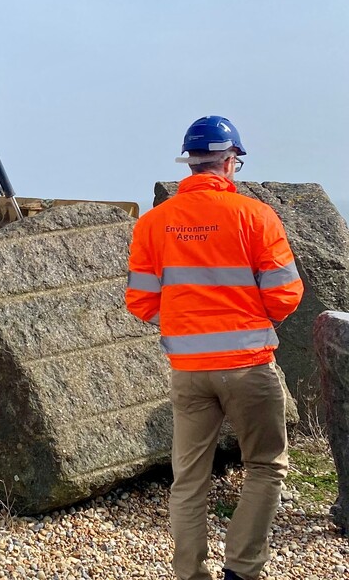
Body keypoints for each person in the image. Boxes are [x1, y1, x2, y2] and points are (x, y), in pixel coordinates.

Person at [125, 116, 304, 580]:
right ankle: (242, 571)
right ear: (230, 162)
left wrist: (186, 324)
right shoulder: (256, 217)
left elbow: (140, 301)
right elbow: (285, 294)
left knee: (189, 479)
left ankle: (191, 574)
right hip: (249, 366)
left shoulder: (154, 223)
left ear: (190, 164)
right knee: (264, 467)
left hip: (188, 370)